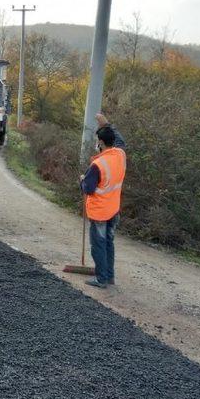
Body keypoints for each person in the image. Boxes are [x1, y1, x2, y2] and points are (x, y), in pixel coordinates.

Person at [80, 112, 126, 289]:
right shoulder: (120, 155)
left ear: (100, 142)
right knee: (108, 243)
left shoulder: (98, 165)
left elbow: (88, 189)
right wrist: (107, 124)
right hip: (114, 210)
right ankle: (110, 276)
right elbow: (120, 140)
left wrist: (82, 180)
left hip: (100, 212)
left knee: (98, 245)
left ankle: (101, 278)